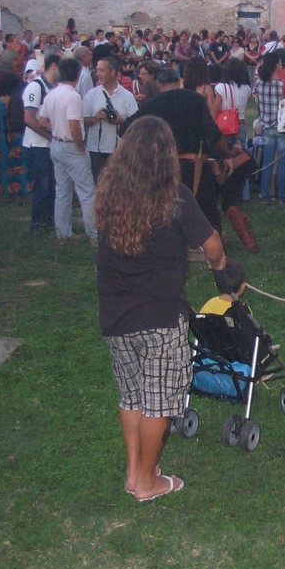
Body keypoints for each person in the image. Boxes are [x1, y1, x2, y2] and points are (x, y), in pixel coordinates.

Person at [95, 115, 229, 503]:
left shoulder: (108, 195)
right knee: (159, 400)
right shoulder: (175, 198)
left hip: (116, 313)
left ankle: (135, 473)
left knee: (132, 396)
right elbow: (213, 244)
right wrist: (219, 266)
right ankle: (148, 481)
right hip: (159, 316)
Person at [125, 67, 224, 229]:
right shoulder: (195, 99)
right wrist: (226, 155)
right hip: (196, 164)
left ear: (159, 84)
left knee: (168, 212)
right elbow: (213, 133)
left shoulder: (153, 104)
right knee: (207, 213)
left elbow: (126, 129)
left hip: (164, 166)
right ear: (179, 82)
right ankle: (214, 251)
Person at [38, 57, 97, 242]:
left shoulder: (52, 93)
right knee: (86, 192)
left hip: (56, 144)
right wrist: (80, 145)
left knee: (62, 192)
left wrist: (56, 128)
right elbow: (73, 125)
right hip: (72, 146)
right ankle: (94, 234)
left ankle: (63, 234)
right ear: (78, 75)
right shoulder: (73, 96)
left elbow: (41, 120)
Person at [253, 52, 285, 204]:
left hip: (267, 126)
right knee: (283, 162)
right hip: (283, 127)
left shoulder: (259, 84)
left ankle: (265, 194)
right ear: (276, 65)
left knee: (268, 161)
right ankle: (282, 195)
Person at [83, 55, 138, 180]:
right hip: (96, 150)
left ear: (113, 72)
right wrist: (96, 118)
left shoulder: (127, 96)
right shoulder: (91, 95)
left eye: (101, 70)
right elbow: (82, 120)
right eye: (97, 70)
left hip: (118, 150)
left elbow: (136, 123)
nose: (98, 74)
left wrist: (121, 120)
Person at [21, 54, 59, 233]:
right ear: (53, 66)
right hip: (37, 145)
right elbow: (29, 119)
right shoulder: (35, 87)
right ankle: (37, 224)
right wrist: (49, 135)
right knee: (41, 185)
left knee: (52, 185)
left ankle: (49, 220)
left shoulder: (56, 87)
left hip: (50, 144)